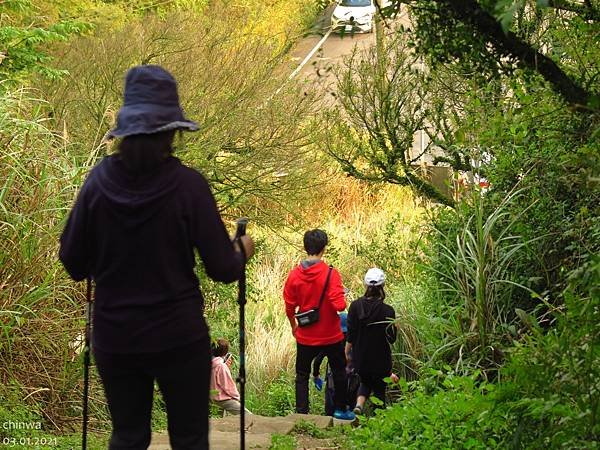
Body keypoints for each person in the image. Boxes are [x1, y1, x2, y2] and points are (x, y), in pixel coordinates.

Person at [59, 65, 254, 450]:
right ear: (172, 130)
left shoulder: (98, 184)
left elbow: (72, 261)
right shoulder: (188, 187)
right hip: (179, 337)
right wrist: (242, 250)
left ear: (125, 130)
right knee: (189, 439)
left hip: (117, 337)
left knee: (128, 436)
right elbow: (223, 269)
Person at [283, 229, 355, 421]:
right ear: (324, 248)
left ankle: (301, 414)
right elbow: (339, 305)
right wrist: (340, 293)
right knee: (339, 370)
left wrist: (293, 327)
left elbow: (289, 307)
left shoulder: (294, 276)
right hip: (331, 335)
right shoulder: (331, 274)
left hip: (305, 335)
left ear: (305, 247)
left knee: (302, 374)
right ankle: (340, 409)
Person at [346, 268, 398, 415]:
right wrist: (395, 327)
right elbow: (391, 339)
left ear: (366, 286)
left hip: (361, 357)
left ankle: (359, 405)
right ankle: (377, 419)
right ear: (383, 286)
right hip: (381, 358)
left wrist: (346, 353)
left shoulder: (355, 306)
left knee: (365, 381)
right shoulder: (388, 310)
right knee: (380, 387)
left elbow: (351, 334)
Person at [210, 338, 252, 416]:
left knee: (219, 420)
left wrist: (226, 366)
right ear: (225, 351)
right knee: (248, 415)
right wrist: (237, 397)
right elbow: (227, 386)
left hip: (212, 398)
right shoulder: (221, 366)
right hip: (222, 399)